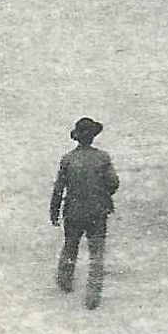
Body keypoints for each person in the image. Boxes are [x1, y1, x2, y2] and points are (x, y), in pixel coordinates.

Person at [50, 117, 120, 310]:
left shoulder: (68, 159)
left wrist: (54, 211)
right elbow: (113, 183)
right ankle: (93, 296)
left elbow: (58, 188)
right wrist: (102, 194)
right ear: (93, 137)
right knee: (96, 252)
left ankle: (65, 281)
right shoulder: (103, 158)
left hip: (73, 211)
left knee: (70, 246)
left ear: (77, 137)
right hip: (97, 211)